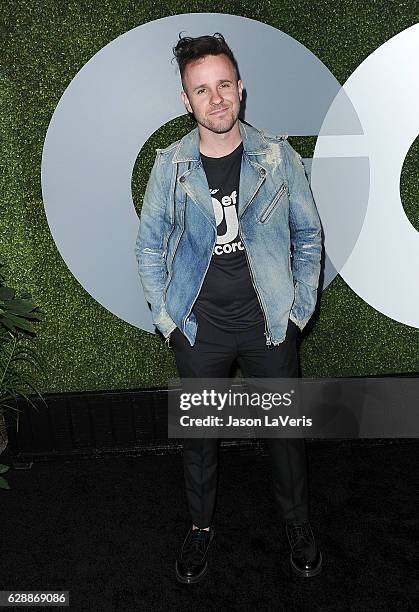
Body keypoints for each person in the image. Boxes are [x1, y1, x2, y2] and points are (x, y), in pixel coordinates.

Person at [135, 33, 323, 583]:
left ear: (240, 89)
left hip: (269, 324)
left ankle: (297, 523)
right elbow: (149, 245)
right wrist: (168, 321)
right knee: (199, 440)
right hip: (200, 329)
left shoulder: (277, 155)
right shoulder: (170, 166)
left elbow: (308, 236)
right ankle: (199, 528)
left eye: (223, 86)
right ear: (185, 100)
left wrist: (296, 312)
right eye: (202, 90)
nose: (215, 99)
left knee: (286, 435)